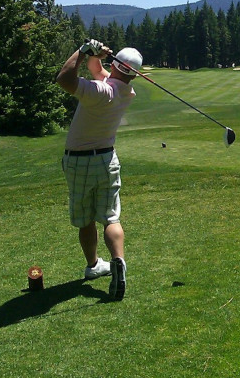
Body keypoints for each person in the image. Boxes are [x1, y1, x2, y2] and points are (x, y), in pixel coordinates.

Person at [55, 39, 143, 301]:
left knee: (85, 219)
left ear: (117, 65)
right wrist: (99, 55)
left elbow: (64, 79)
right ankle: (118, 260)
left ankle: (94, 265)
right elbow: (97, 70)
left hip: (79, 161)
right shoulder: (125, 92)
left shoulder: (100, 91)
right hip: (107, 159)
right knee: (110, 218)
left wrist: (82, 52)